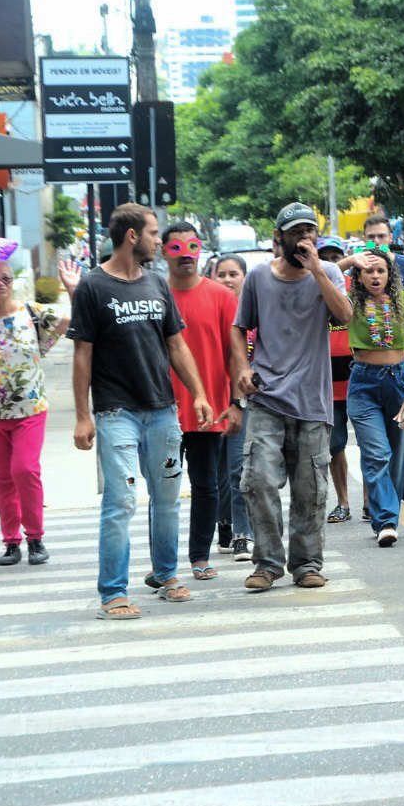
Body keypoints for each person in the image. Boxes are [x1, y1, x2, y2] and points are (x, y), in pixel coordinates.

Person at [69, 203, 215, 619]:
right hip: (117, 413)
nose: (159, 241)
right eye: (153, 233)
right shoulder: (93, 287)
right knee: (122, 500)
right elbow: (83, 355)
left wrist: (199, 394)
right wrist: (83, 415)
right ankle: (113, 591)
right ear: (132, 236)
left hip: (163, 411)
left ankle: (166, 575)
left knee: (167, 498)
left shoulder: (156, 284)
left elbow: (176, 344)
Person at [233, 202, 354, 592]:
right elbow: (239, 329)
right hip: (267, 397)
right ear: (278, 238)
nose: (304, 239)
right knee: (259, 480)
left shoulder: (329, 271)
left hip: (312, 400)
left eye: (310, 232)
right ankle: (267, 562)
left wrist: (318, 269)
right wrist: (242, 368)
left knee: (310, 488)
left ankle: (306, 563)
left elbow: (346, 316)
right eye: (296, 233)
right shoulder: (257, 278)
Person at [0, 255, 78, 566]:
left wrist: (73, 290)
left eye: (6, 278)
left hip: (30, 408)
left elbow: (77, 325)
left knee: (24, 469)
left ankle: (35, 537)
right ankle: (11, 542)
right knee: (2, 478)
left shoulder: (33, 314)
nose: (1, 284)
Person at [162, 222, 243, 581]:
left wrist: (236, 401)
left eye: (192, 247)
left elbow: (235, 353)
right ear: (164, 252)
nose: (186, 256)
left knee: (207, 485)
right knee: (162, 489)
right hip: (161, 409)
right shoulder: (155, 294)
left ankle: (199, 556)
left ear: (200, 250)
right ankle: (162, 564)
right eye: (176, 248)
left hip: (208, 408)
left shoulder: (222, 297)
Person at [344, 246, 404, 547]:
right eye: (368, 270)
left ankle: (386, 513)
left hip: (398, 381)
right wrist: (349, 260)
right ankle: (386, 522)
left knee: (395, 457)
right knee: (377, 454)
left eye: (381, 270)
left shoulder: (403, 302)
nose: (375, 275)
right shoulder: (349, 303)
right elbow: (319, 282)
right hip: (363, 384)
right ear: (358, 276)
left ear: (389, 275)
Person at [212, 254, 254, 559]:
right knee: (219, 472)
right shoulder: (211, 310)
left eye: (233, 274)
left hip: (245, 401)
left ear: (244, 278)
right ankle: (223, 523)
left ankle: (243, 533)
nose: (227, 280)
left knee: (240, 468)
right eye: (221, 274)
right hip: (211, 400)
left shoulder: (254, 313)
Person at [317, 237, 359, 525]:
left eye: (336, 256)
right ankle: (343, 503)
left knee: (371, 446)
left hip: (360, 378)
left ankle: (372, 503)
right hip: (327, 383)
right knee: (335, 446)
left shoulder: (357, 288)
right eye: (325, 257)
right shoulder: (313, 289)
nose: (332, 262)